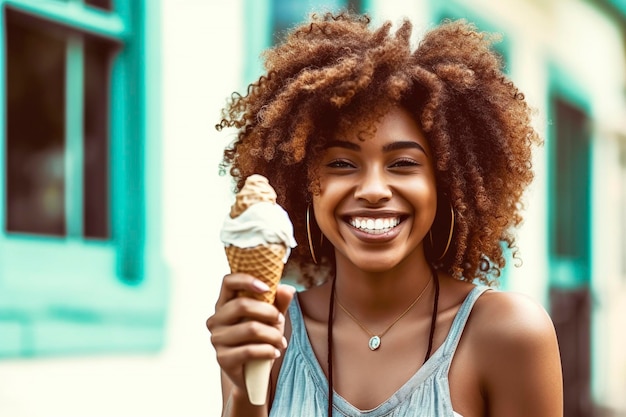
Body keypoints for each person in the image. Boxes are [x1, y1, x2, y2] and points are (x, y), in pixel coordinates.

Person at [207, 12, 563, 417]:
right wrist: (241, 393)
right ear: (303, 183)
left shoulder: (507, 334)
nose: (373, 190)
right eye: (341, 163)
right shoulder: (271, 328)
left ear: (443, 183)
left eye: (403, 163)